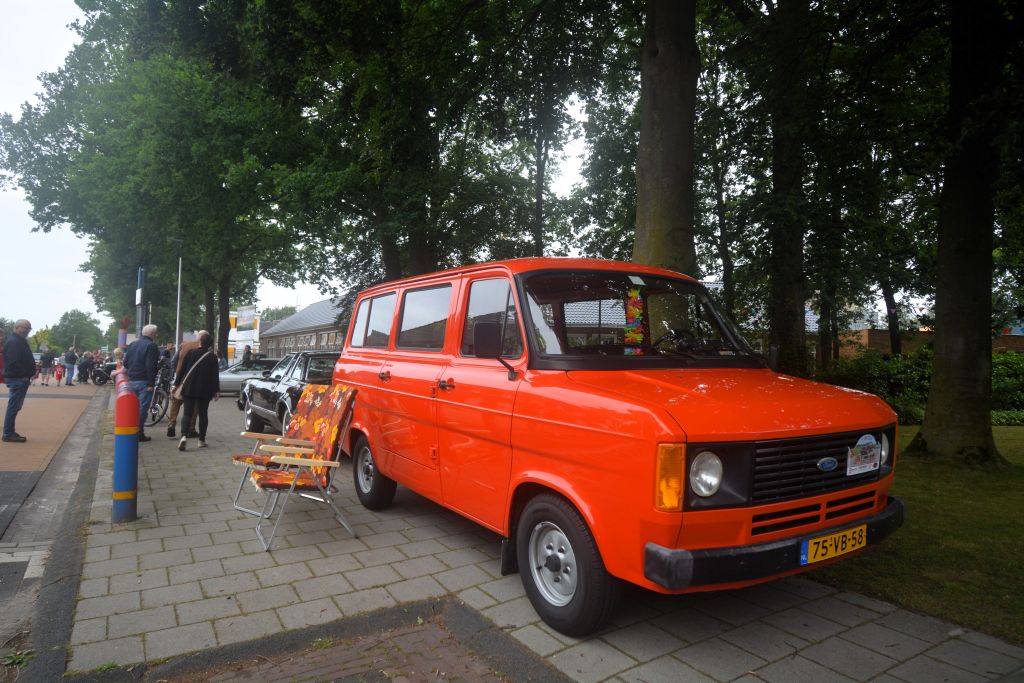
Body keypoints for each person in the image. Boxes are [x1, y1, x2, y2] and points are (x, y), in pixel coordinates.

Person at [176, 332, 219, 451]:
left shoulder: (190, 353)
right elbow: (214, 375)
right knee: (203, 414)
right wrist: (216, 390)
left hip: (189, 388)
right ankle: (201, 440)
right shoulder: (212, 357)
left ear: (200, 342)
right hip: (205, 390)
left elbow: (182, 370)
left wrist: (176, 384)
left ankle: (184, 436)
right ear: (210, 345)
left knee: (187, 413)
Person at [123, 324, 159, 442]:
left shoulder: (133, 344)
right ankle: (138, 433)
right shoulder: (151, 346)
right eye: (156, 333)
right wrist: (151, 383)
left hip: (132, 380)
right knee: (142, 409)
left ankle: (130, 431)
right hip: (144, 382)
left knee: (133, 407)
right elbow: (151, 366)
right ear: (152, 334)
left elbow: (126, 363)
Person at [166, 331, 207, 438]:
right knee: (194, 406)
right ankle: (191, 429)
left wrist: (177, 375)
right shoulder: (204, 350)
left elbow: (174, 361)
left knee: (176, 402)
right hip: (195, 382)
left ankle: (172, 423)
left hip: (181, 378)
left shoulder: (184, 344)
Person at [3, 320, 36, 443]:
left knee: (14, 407)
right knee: (13, 407)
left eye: (29, 328)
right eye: (25, 328)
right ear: (16, 327)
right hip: (18, 378)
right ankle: (8, 433)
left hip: (19, 378)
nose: (27, 330)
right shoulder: (14, 342)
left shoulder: (18, 341)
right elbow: (13, 362)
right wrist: (24, 375)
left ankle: (9, 432)